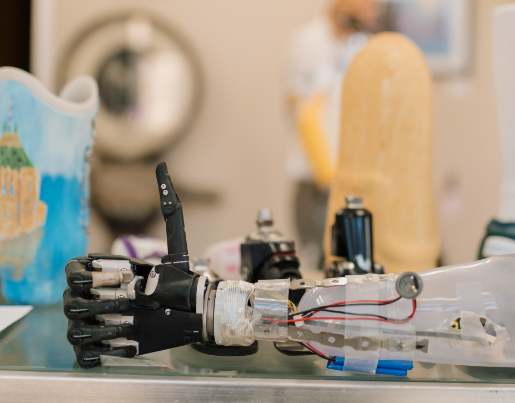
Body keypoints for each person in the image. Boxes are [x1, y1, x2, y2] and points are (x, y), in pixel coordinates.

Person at [285, 0, 378, 271]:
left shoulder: (362, 44)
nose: (371, 8)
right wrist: (328, 175)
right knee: (320, 263)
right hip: (316, 178)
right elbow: (305, 111)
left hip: (353, 175)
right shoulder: (309, 41)